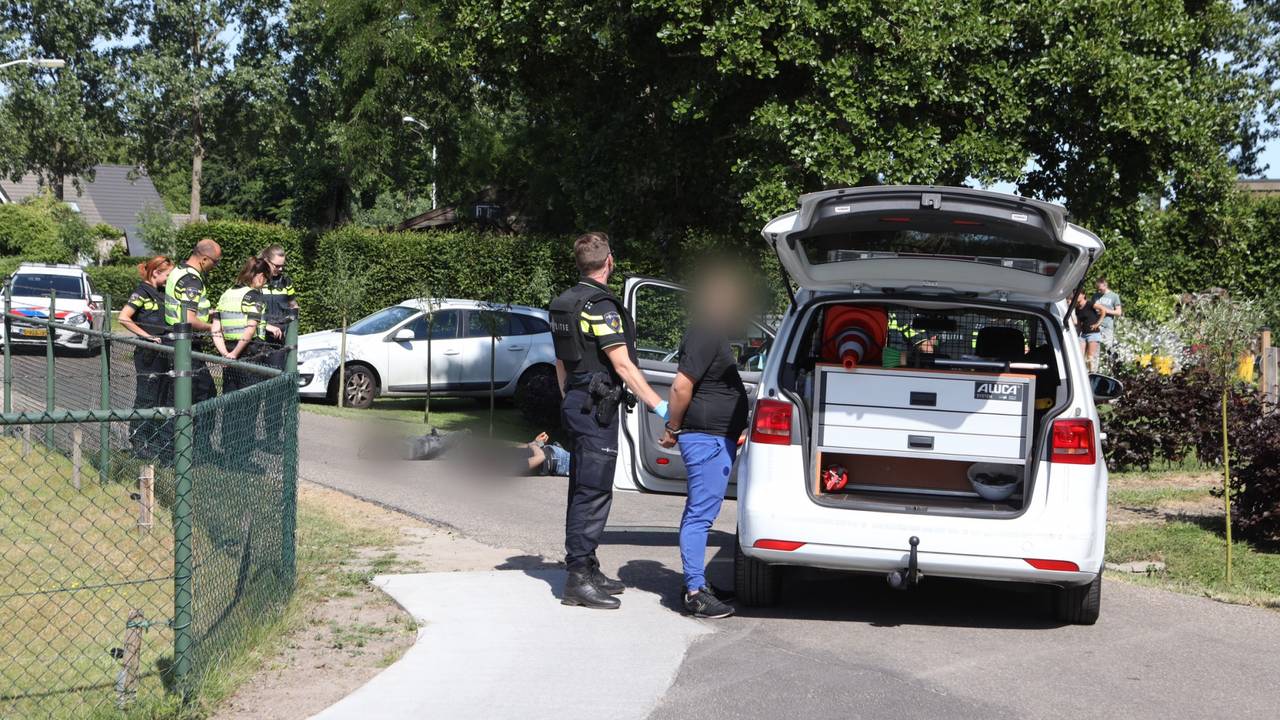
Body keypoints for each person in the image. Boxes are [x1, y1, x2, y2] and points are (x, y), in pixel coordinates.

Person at [549, 231, 669, 610]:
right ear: (609, 261)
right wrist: (659, 406)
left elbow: (562, 362)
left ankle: (586, 564)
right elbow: (622, 364)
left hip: (577, 402)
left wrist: (568, 397)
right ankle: (578, 580)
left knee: (582, 486)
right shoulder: (599, 307)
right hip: (595, 406)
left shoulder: (565, 302)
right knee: (594, 491)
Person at [658, 263, 751, 619]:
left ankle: (697, 581)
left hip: (716, 438)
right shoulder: (705, 332)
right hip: (706, 440)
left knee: (700, 512)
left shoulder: (711, 333)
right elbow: (681, 386)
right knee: (700, 516)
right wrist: (673, 427)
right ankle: (695, 592)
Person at [164, 239, 222, 441]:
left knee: (178, 396)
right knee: (203, 395)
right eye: (215, 262)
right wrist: (212, 327)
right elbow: (189, 319)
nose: (215, 267)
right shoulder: (192, 281)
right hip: (185, 344)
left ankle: (173, 447)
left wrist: (207, 314)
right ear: (204, 258)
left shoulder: (178, 271)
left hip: (174, 340)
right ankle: (196, 447)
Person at [117, 256, 174, 457]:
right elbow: (123, 317)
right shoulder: (142, 292)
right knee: (146, 398)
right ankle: (138, 441)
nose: (169, 279)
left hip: (164, 353)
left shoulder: (163, 293)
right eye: (167, 275)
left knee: (161, 398)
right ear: (156, 273)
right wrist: (148, 337)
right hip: (147, 355)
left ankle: (155, 441)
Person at [211, 257, 271, 392]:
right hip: (249, 353)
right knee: (249, 401)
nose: (265, 283)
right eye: (266, 279)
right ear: (261, 276)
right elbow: (250, 330)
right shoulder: (254, 296)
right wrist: (235, 354)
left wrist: (226, 354)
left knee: (230, 400)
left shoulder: (226, 294)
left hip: (228, 351)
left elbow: (215, 329)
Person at [1092, 277, 1123, 363]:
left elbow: (1119, 312)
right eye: (1097, 289)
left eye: (1100, 289)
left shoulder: (1114, 296)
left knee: (1108, 349)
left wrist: (1105, 310)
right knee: (1095, 351)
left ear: (1106, 285)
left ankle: (1110, 367)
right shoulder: (1095, 296)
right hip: (1096, 325)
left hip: (1107, 327)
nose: (1099, 291)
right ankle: (1094, 369)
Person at [1073, 290, 1104, 372]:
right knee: (1079, 357)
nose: (1076, 296)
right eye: (1075, 295)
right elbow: (1079, 323)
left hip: (1093, 334)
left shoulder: (1089, 304)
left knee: (1090, 358)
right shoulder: (1077, 308)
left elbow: (1103, 310)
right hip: (1083, 335)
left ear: (1083, 295)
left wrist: (1098, 323)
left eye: (1078, 294)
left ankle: (1091, 375)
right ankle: (1080, 374)